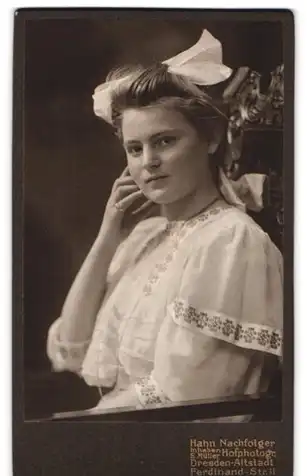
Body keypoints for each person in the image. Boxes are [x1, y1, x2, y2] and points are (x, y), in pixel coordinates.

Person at [46, 30, 283, 421]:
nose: (148, 162)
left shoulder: (230, 240)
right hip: (122, 430)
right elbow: (70, 351)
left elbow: (186, 394)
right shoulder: (145, 236)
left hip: (182, 445)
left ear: (209, 138)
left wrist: (83, 423)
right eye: (134, 149)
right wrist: (108, 235)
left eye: (165, 141)